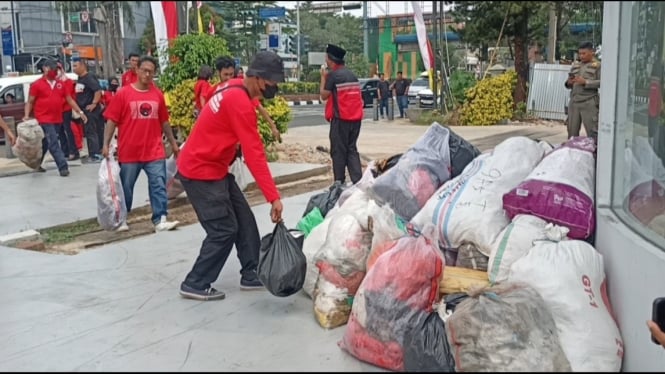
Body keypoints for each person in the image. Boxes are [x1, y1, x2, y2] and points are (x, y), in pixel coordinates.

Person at [175, 51, 285, 301]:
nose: (275, 87)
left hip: (214, 167)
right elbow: (254, 154)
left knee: (244, 220)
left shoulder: (233, 86)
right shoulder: (239, 103)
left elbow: (240, 102)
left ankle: (251, 272)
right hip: (200, 171)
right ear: (258, 78)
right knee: (223, 229)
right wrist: (273, 198)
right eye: (273, 82)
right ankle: (196, 282)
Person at [101, 56, 180, 233]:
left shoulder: (157, 95)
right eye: (143, 70)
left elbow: (164, 122)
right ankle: (121, 219)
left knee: (158, 184)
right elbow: (111, 120)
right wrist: (105, 144)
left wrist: (174, 144)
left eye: (150, 71)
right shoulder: (123, 94)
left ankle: (160, 218)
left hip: (154, 151)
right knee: (126, 187)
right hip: (130, 152)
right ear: (136, 70)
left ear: (154, 74)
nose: (146, 74)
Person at [23, 59, 87, 176]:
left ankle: (36, 163)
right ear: (45, 69)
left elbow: (69, 99)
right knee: (53, 142)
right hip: (44, 118)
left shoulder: (60, 84)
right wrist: (26, 115)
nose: (55, 72)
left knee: (45, 143)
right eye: (52, 70)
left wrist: (80, 112)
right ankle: (63, 166)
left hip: (57, 118)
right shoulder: (37, 85)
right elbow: (30, 101)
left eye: (56, 70)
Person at [205, 56, 281, 141]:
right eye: (225, 74)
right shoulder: (213, 93)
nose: (228, 78)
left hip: (239, 140)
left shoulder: (242, 90)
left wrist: (273, 126)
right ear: (218, 73)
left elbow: (259, 107)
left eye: (231, 74)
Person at [320, 43, 364, 185]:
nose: (325, 60)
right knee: (351, 150)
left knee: (338, 151)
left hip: (341, 121)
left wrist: (323, 78)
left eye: (326, 57)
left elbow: (324, 95)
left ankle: (339, 183)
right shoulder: (352, 75)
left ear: (330, 59)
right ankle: (358, 182)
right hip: (356, 120)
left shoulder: (333, 76)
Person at [564, 41, 601, 140]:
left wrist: (586, 82)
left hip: (589, 102)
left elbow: (603, 83)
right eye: (580, 53)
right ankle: (571, 152)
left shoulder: (598, 66)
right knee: (571, 132)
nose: (581, 56)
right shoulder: (575, 65)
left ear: (592, 52)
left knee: (593, 133)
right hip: (574, 102)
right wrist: (569, 83)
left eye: (584, 53)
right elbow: (568, 83)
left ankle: (595, 153)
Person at [73, 59, 105, 163]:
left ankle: (95, 154)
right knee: (88, 131)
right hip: (83, 109)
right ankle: (95, 152)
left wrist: (94, 103)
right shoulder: (80, 79)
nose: (74, 68)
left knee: (91, 131)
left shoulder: (89, 77)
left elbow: (97, 90)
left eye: (75, 66)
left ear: (82, 66)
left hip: (90, 110)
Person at [56, 62, 80, 161]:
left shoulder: (67, 81)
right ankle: (65, 151)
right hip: (57, 111)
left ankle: (73, 151)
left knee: (68, 131)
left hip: (66, 109)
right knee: (60, 132)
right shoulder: (54, 82)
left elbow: (68, 97)